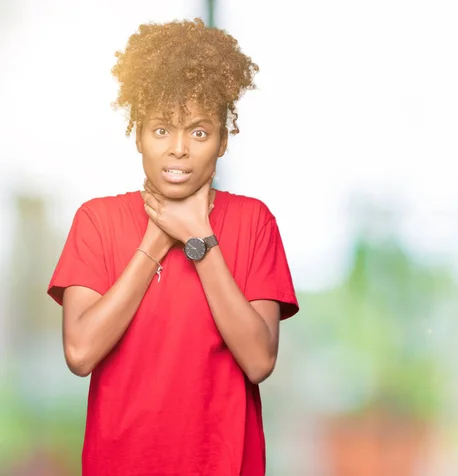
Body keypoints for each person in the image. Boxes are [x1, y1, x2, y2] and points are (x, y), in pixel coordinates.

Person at [47, 18, 299, 476]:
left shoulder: (253, 222)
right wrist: (157, 238)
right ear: (139, 134)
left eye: (199, 132)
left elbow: (259, 360)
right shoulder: (97, 221)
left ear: (222, 141)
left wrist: (199, 240)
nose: (179, 149)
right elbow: (80, 353)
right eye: (162, 129)